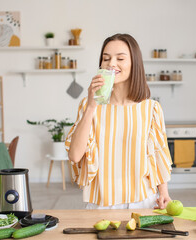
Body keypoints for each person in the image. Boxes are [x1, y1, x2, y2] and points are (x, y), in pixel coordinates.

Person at [65, 33, 172, 210]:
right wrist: (92, 106)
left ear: (134, 63)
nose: (111, 64)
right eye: (106, 59)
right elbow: (75, 155)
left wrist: (164, 193)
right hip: (100, 204)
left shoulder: (151, 108)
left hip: (143, 202)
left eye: (120, 58)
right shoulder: (88, 105)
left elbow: (158, 155)